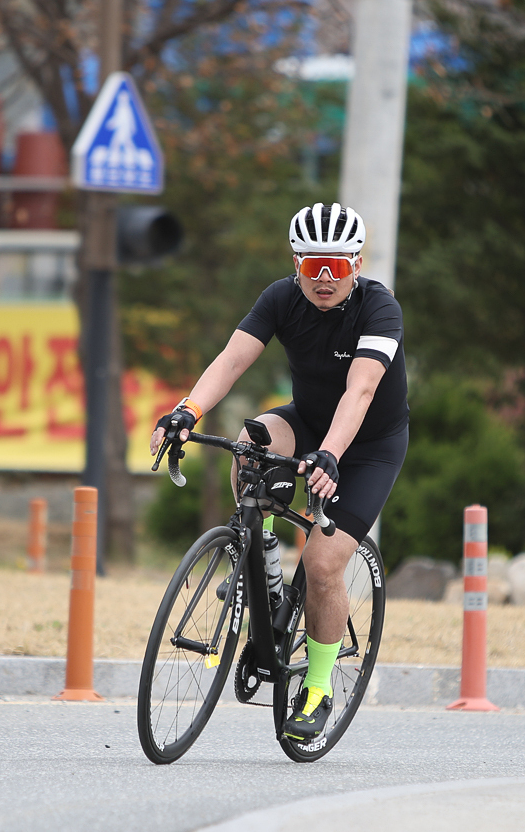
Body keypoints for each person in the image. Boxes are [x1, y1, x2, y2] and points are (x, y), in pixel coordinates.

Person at [152, 202, 407, 742]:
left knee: (321, 564)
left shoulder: (380, 309)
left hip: (368, 447)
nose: (323, 278)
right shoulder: (280, 297)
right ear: (296, 264)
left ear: (357, 265)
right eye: (312, 265)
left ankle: (316, 688)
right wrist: (187, 411)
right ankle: (259, 558)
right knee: (249, 445)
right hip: (308, 423)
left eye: (335, 267)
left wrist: (331, 454)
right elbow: (231, 360)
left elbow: (361, 390)